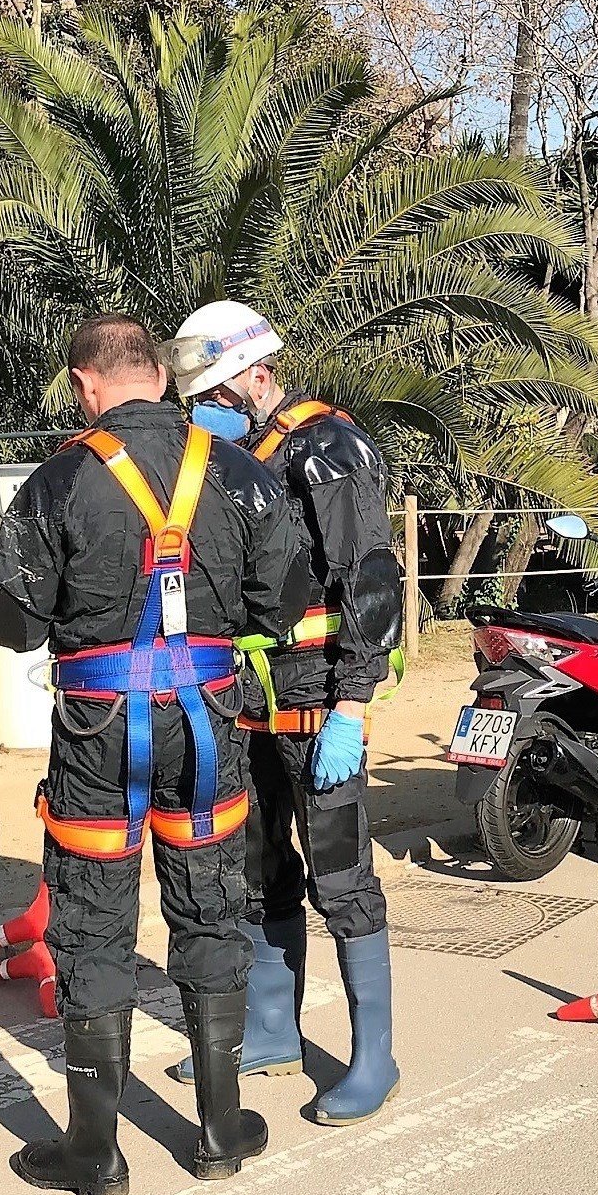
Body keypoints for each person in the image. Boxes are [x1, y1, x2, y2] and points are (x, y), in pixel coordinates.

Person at [0, 314, 309, 1195]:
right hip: (209, 722)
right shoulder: (240, 473)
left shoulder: (57, 481)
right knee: (209, 903)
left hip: (98, 731)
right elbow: (282, 606)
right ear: (162, 379)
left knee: (93, 922)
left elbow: (14, 624)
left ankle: (96, 1155)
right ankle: (219, 1132)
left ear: (88, 385)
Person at [164, 300, 403, 1126]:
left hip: (319, 700)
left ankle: (376, 1053)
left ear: (255, 373)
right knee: (260, 870)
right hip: (248, 702)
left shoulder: (328, 447)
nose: (208, 408)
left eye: (216, 392)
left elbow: (369, 579)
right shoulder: (237, 457)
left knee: (342, 879)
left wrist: (353, 706)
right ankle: (272, 1028)